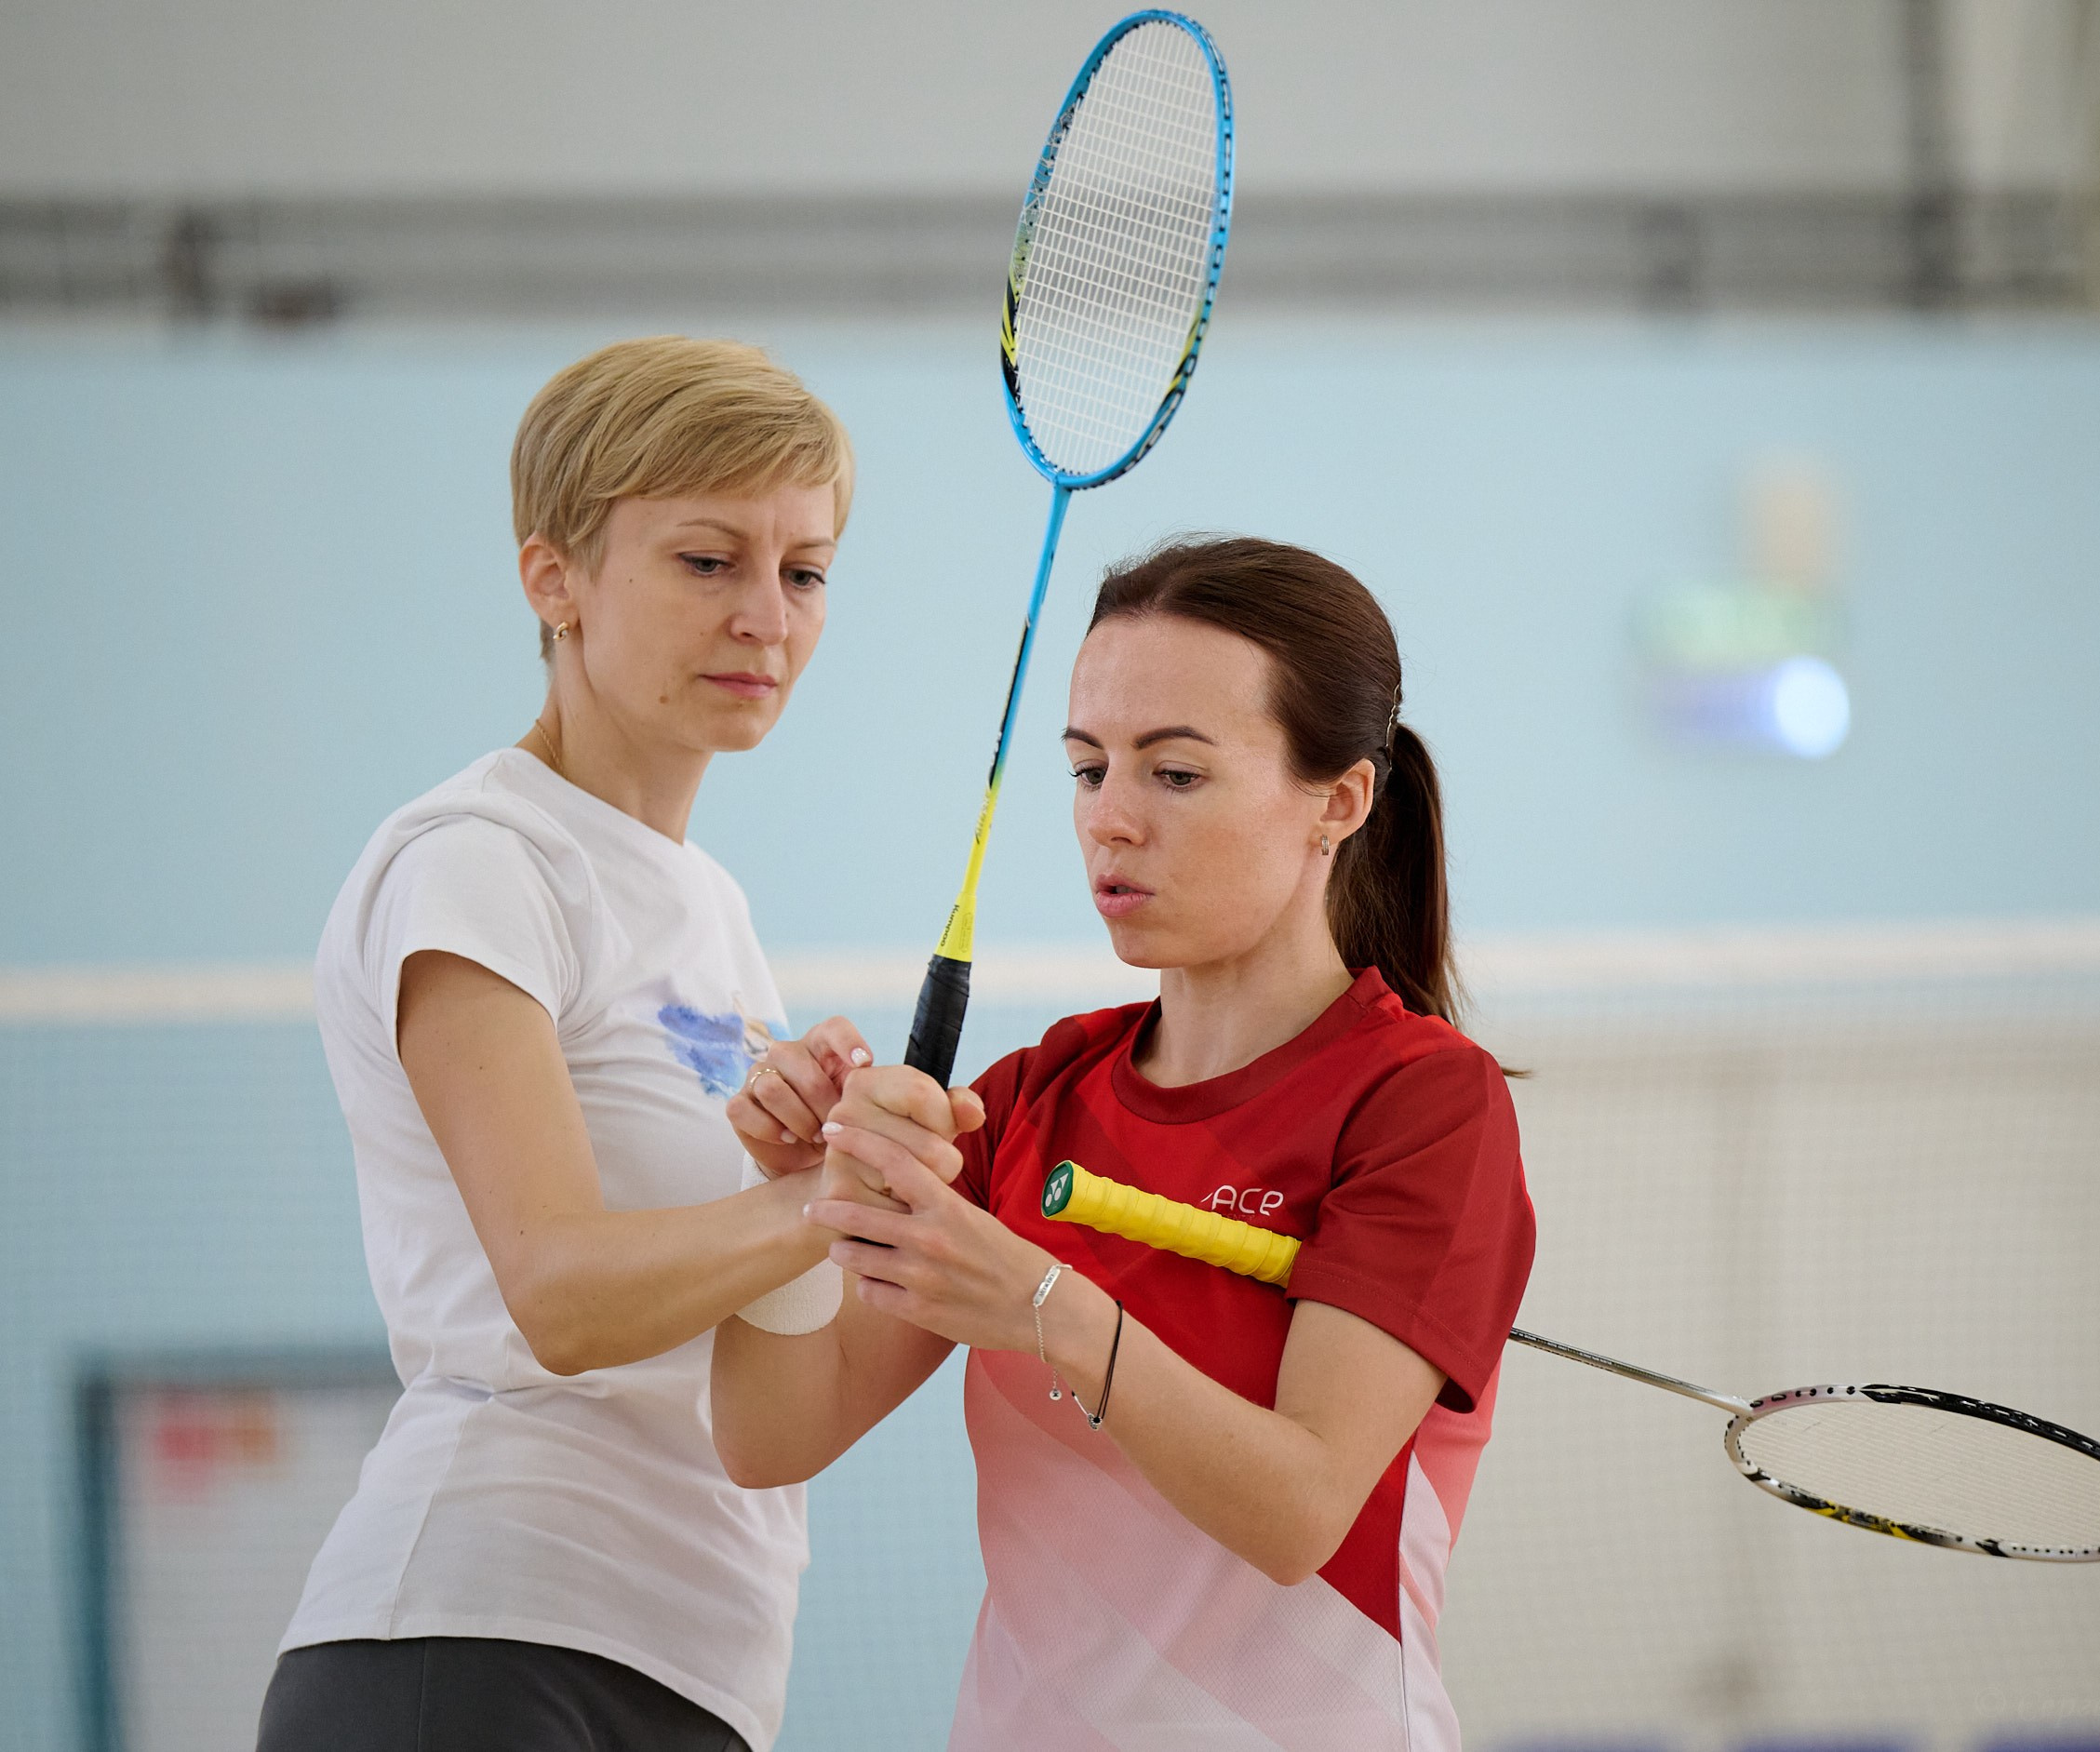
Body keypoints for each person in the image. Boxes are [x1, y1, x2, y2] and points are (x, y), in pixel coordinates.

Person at [713, 536, 1537, 1749]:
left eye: (1178, 775)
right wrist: (793, 1200)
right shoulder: (1031, 1095)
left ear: (1341, 801)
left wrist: (1043, 1302)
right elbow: (773, 1434)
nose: (1112, 822)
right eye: (1089, 770)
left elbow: (1298, 1512)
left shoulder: (1424, 1105)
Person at [260, 336, 873, 1752]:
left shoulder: (712, 914)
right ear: (555, 579)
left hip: (693, 1666)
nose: (766, 619)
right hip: (482, 1645)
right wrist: (806, 1206)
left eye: (805, 571)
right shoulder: (483, 860)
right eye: (707, 562)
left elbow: (766, 1399)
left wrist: (845, 1187)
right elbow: (560, 1295)